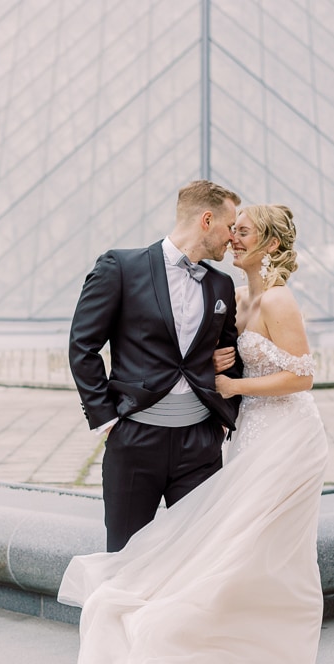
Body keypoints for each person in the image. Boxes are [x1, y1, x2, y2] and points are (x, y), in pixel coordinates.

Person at [59, 204, 334, 664]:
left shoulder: (273, 297)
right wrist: (216, 367)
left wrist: (230, 390)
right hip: (243, 436)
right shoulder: (235, 290)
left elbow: (303, 377)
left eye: (244, 231)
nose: (233, 237)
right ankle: (214, 659)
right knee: (227, 553)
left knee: (247, 553)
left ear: (269, 245)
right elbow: (190, 350)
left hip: (287, 441)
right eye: (232, 226)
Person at [68, 180, 244, 553]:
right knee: (124, 554)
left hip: (200, 443)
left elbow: (231, 353)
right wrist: (108, 419)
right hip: (135, 440)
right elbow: (83, 346)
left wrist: (221, 411)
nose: (233, 237)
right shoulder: (120, 266)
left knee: (196, 555)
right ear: (207, 220)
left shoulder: (222, 285)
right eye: (230, 226)